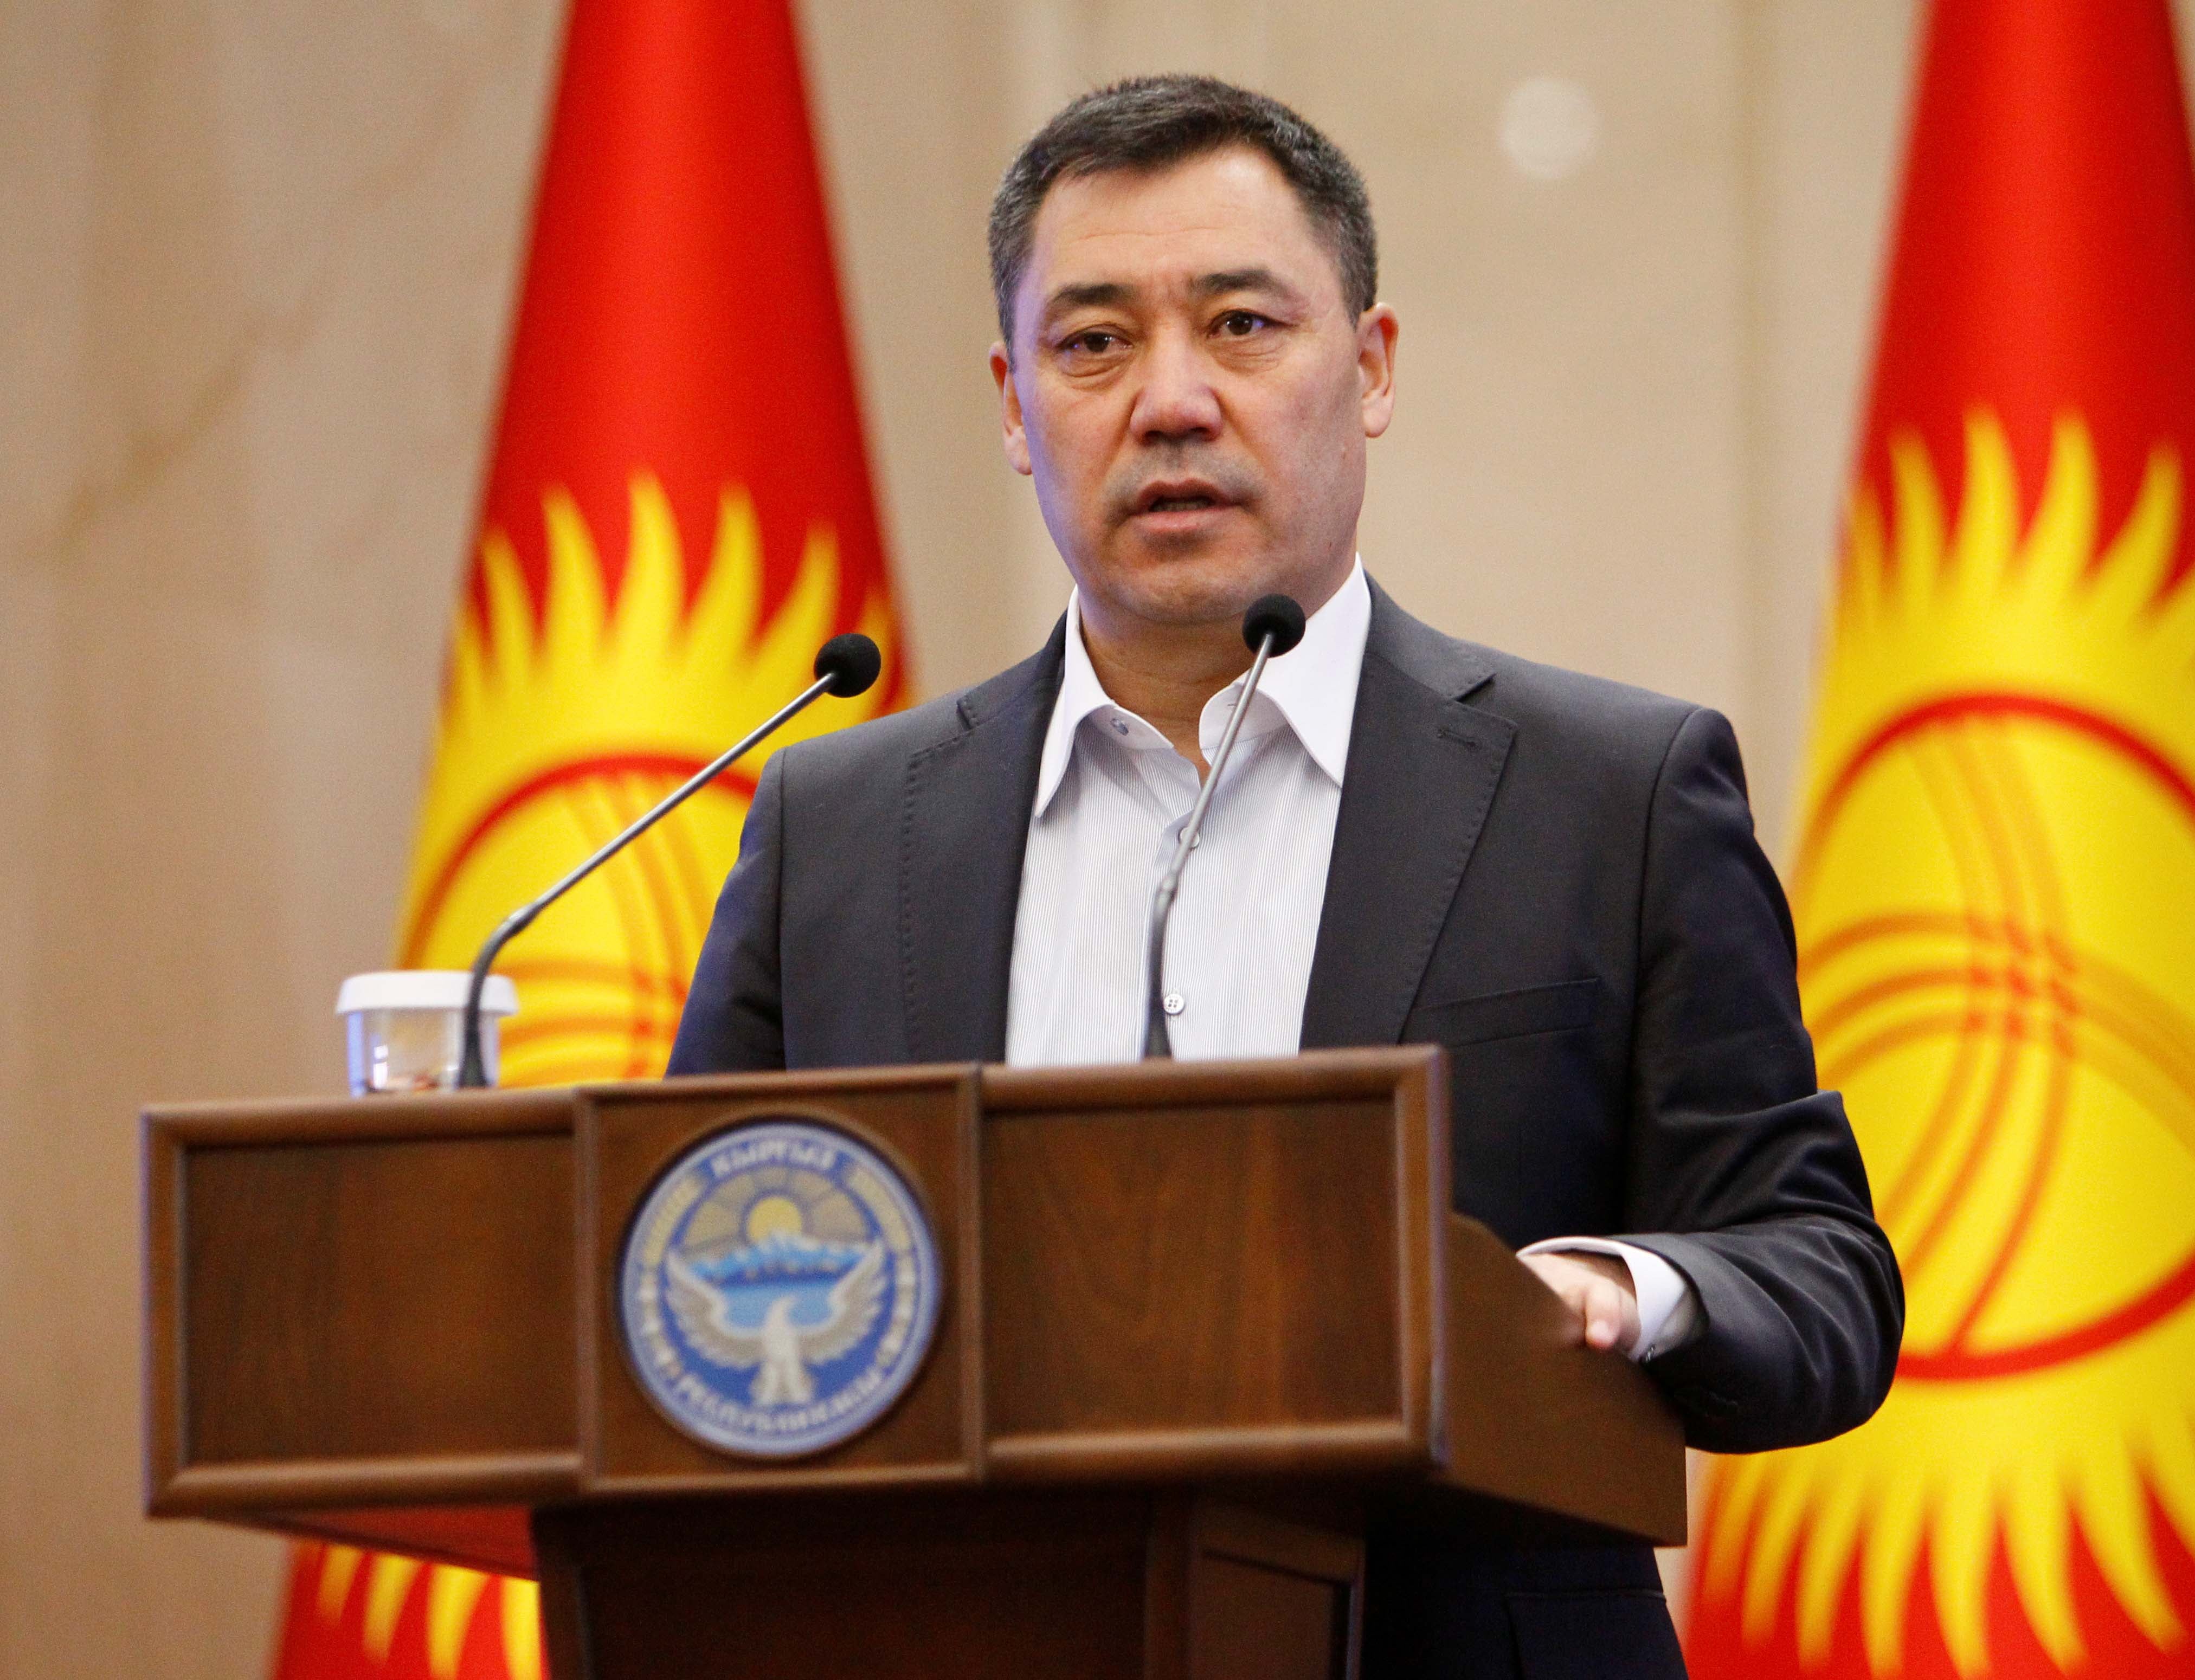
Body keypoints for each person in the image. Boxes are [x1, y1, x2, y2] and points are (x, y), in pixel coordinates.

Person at [671, 73, 1901, 1680]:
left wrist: (1618, 1289)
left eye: (1241, 325)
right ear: (1009, 397)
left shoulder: (1611, 792)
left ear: (1371, 367)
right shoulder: (840, 821)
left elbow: (1816, 1278)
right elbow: (676, 1268)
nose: (1168, 401)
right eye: (1092, 342)